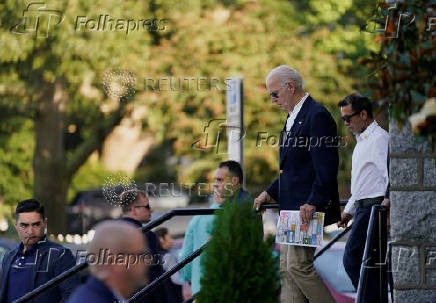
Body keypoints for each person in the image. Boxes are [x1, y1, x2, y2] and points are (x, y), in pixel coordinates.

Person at [253, 65, 339, 303]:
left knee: (299, 267)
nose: (272, 100)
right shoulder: (293, 117)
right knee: (287, 270)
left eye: (274, 94)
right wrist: (269, 193)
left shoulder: (317, 114)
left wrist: (313, 201)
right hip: (290, 209)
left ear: (290, 87)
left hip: (305, 209)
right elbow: (291, 169)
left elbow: (327, 167)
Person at [337, 93, 389, 301]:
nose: (346, 123)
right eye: (343, 119)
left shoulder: (380, 139)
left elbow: (390, 176)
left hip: (374, 209)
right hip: (363, 208)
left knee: (353, 259)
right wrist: (348, 210)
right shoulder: (362, 141)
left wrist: (387, 206)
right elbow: (362, 184)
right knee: (370, 265)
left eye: (348, 118)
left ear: (364, 114)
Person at [179, 160, 252, 297]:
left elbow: (185, 257)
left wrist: (189, 278)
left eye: (220, 179)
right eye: (215, 180)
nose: (215, 184)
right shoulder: (248, 207)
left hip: (204, 290)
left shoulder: (198, 218)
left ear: (234, 181)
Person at [0, 199, 80, 303]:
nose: (30, 231)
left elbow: (73, 297)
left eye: (36, 224)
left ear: (45, 223)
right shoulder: (9, 257)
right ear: (16, 226)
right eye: (24, 225)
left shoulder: (60, 255)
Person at [67, 220, 148, 303]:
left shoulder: (90, 295)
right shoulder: (93, 299)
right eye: (140, 255)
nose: (148, 260)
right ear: (115, 262)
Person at [119, 189, 168, 303]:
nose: (151, 209)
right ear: (134, 210)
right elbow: (155, 275)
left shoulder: (110, 233)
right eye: (147, 206)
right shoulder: (146, 235)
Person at [155, 227, 184, 303]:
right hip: (173, 297)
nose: (172, 241)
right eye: (169, 238)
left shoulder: (154, 257)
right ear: (161, 239)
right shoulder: (168, 257)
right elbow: (177, 279)